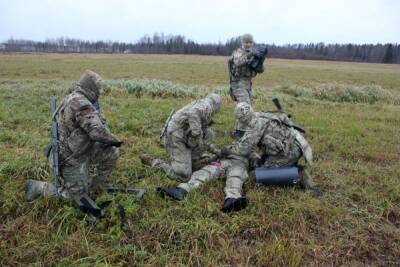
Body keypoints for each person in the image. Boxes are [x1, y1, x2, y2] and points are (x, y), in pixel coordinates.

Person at [26, 70, 123, 201]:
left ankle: (97, 183)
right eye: (98, 88)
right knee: (73, 198)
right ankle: (38, 187)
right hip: (70, 158)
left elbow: (90, 124)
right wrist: (116, 140)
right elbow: (96, 132)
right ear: (91, 88)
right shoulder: (81, 104)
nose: (100, 92)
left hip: (81, 148)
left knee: (112, 152)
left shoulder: (73, 97)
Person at [140, 93, 222, 182]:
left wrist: (217, 151)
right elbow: (193, 113)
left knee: (209, 134)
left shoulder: (205, 111)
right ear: (217, 106)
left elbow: (203, 140)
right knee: (184, 175)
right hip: (176, 136)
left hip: (185, 135)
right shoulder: (206, 105)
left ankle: (193, 160)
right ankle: (154, 162)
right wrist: (196, 133)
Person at [228, 33, 265, 106]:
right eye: (246, 42)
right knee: (246, 106)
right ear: (242, 43)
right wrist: (250, 55)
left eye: (250, 42)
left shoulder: (254, 53)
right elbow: (238, 62)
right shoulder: (238, 52)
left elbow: (261, 70)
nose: (248, 44)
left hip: (248, 83)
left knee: (248, 106)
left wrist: (260, 60)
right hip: (238, 83)